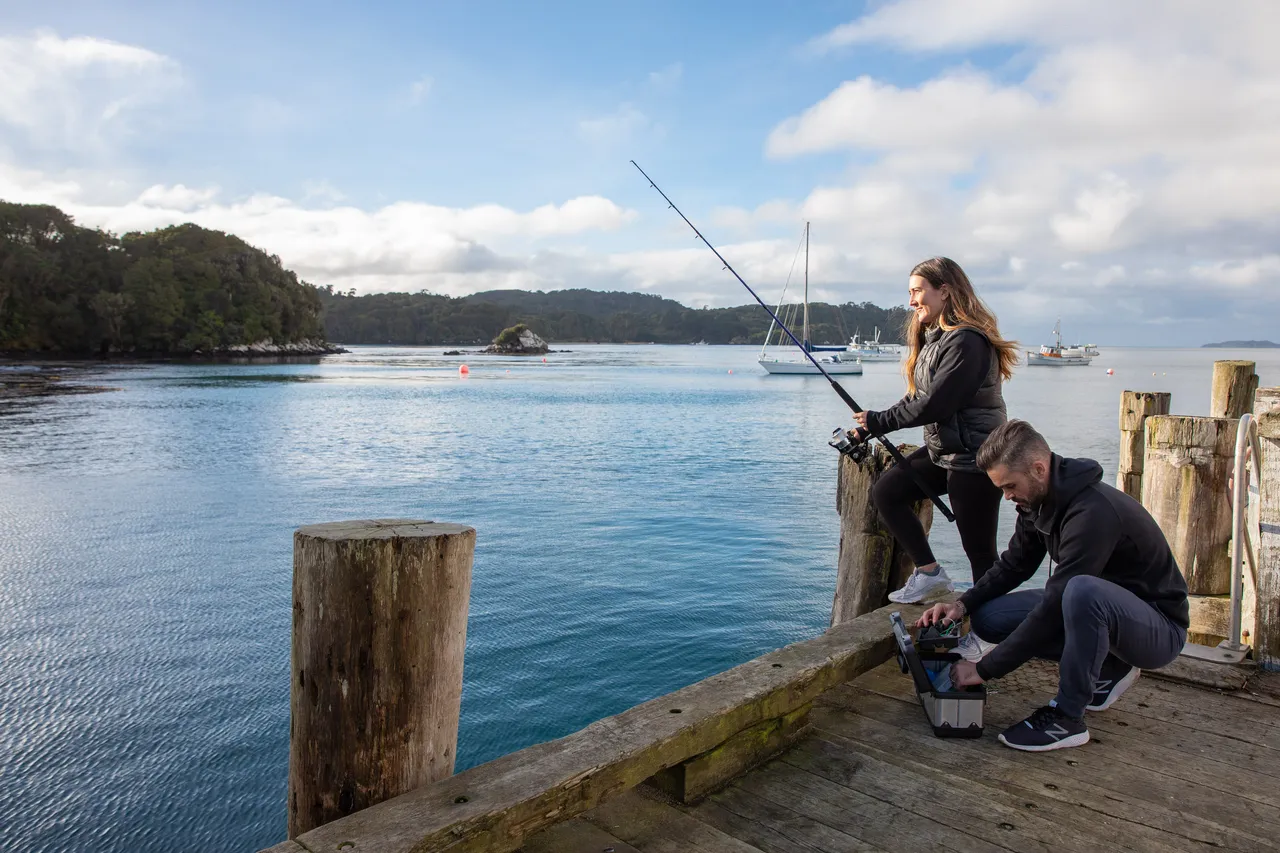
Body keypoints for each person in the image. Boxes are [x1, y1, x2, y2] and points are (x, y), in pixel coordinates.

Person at [918, 420, 1190, 752]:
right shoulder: (1036, 501)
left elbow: (1054, 606)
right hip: (1109, 615)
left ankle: (1068, 718)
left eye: (1010, 486)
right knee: (989, 617)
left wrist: (984, 669)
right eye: (1001, 488)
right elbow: (1014, 564)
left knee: (1080, 591)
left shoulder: (1092, 513)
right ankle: (1110, 667)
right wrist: (962, 605)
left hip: (1158, 630)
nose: (1006, 497)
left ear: (1038, 468)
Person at [852, 257, 1019, 604]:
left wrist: (880, 420)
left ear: (944, 290)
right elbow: (918, 397)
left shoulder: (968, 343)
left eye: (917, 290)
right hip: (946, 453)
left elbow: (938, 405)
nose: (911, 300)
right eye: (910, 292)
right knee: (888, 492)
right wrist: (870, 426)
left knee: (981, 556)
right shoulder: (936, 341)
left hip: (976, 458)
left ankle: (990, 633)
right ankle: (930, 574)